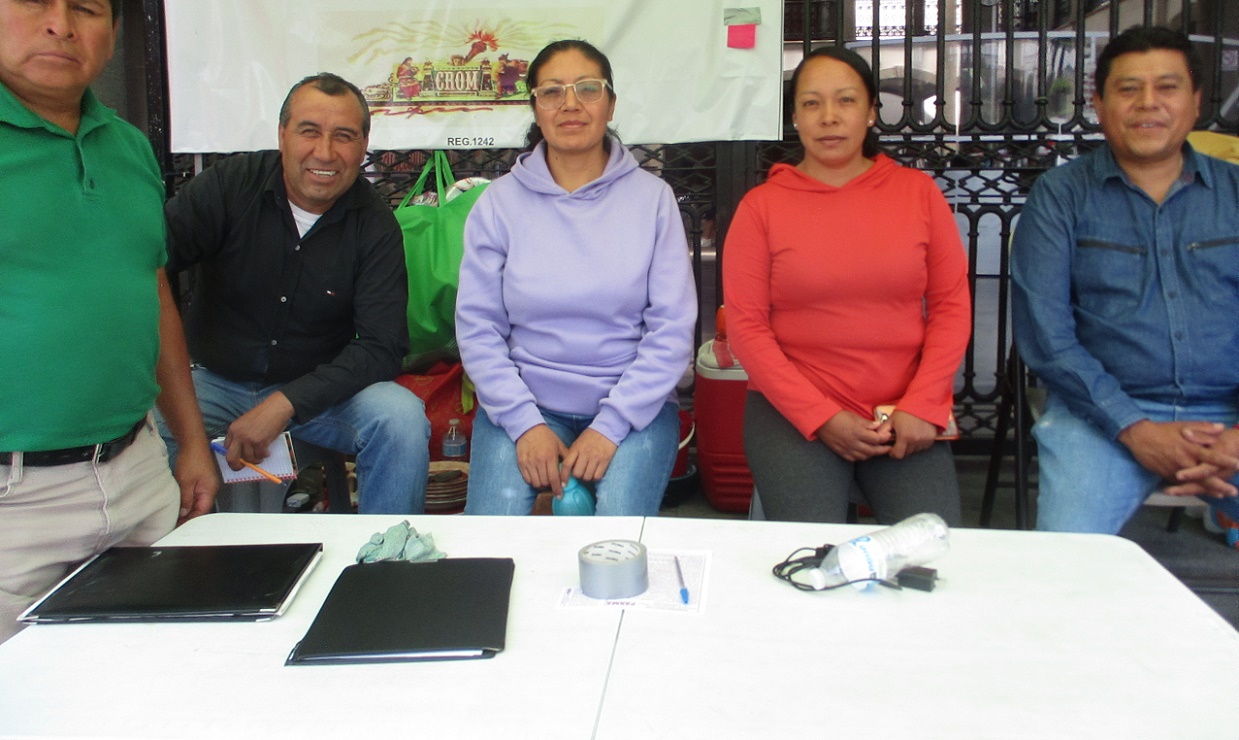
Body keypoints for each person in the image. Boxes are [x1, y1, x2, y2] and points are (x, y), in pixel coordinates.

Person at [0, 0, 218, 643]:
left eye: (85, 7)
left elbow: (149, 293)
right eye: (35, 0)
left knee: (145, 677)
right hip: (13, 501)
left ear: (112, 32)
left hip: (134, 474)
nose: (61, 24)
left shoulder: (126, 147)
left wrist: (189, 440)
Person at [160, 73, 431, 514]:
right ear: (282, 134)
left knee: (399, 418)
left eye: (343, 137)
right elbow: (149, 261)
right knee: (135, 425)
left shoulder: (375, 225)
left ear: (364, 146)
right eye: (309, 132)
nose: (324, 153)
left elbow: (383, 346)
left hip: (312, 391)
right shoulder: (231, 184)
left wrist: (284, 404)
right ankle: (174, 562)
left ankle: (385, 564)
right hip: (211, 381)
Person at [723, 46, 971, 525]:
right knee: (809, 559)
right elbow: (747, 329)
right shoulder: (762, 207)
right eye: (812, 103)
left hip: (903, 412)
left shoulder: (918, 195)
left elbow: (951, 305)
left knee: (933, 553)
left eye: (846, 101)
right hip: (795, 413)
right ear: (795, 117)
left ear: (872, 111)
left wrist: (922, 404)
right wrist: (821, 416)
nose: (829, 117)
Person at [1012, 26, 1239, 535]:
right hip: (1102, 415)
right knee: (1066, 570)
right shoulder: (1061, 196)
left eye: (1167, 86)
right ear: (1098, 103)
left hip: (1229, 411)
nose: (1148, 104)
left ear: (1196, 101)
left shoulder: (1235, 194)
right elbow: (1046, 335)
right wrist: (1135, 429)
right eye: (1129, 88)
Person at [457, 39, 696, 516]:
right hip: (526, 405)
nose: (570, 104)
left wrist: (610, 426)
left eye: (587, 88)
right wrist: (525, 425)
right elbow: (478, 329)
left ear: (611, 103)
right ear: (534, 108)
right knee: (491, 541)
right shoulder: (499, 205)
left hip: (634, 406)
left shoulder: (653, 200)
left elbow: (671, 331)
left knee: (615, 541)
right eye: (552, 91)